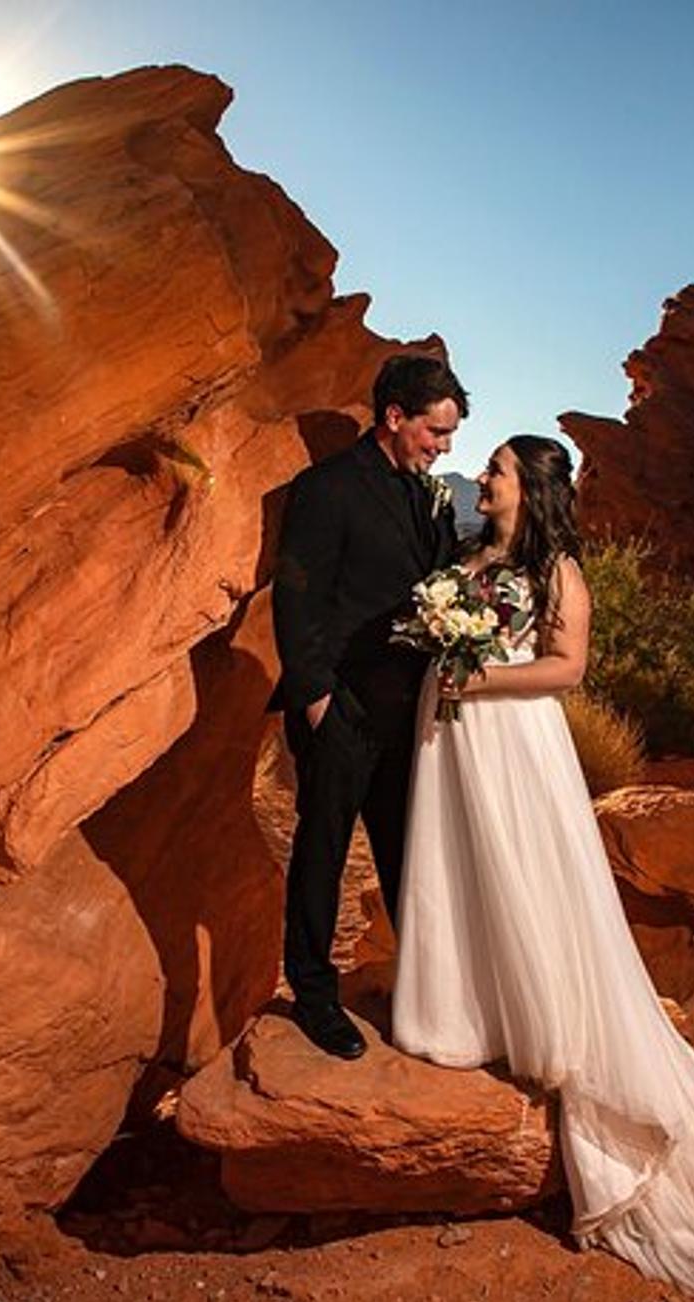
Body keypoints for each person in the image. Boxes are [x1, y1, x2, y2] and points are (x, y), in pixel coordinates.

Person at [391, 435, 694, 1290]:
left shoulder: (557, 566)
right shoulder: (468, 553)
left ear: (529, 487)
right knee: (460, 870)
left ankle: (549, 1026)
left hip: (512, 740)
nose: (484, 479)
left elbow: (567, 667)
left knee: (525, 875)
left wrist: (476, 678)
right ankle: (468, 1010)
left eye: (494, 469)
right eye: (485, 468)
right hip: (453, 735)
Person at [269, 353, 466, 1059]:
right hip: (342, 705)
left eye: (447, 437)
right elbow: (296, 598)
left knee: (409, 850)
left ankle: (424, 989)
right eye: (434, 433)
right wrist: (318, 700)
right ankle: (313, 996)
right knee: (322, 850)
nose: (443, 448)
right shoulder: (326, 488)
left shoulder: (429, 496)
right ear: (393, 418)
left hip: (409, 712)